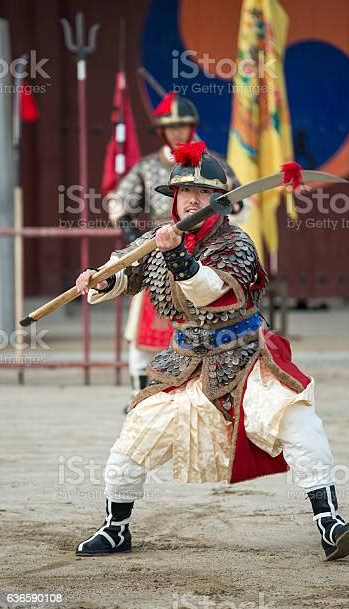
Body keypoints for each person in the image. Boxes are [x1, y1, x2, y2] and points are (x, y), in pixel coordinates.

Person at [75, 141, 349, 561]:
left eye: (204, 193)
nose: (193, 199)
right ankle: (116, 528)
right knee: (133, 440)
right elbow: (122, 272)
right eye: (185, 192)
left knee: (296, 420)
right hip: (185, 361)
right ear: (173, 198)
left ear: (216, 200)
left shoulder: (236, 242)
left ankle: (330, 522)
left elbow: (210, 291)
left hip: (247, 353)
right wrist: (98, 279)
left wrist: (176, 254)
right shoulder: (156, 241)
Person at [106, 92, 244, 400]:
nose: (178, 132)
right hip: (159, 250)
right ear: (163, 131)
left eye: (183, 126)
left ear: (192, 126)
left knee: (207, 326)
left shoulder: (215, 164)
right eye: (172, 127)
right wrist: (138, 244)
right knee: (142, 336)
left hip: (207, 251)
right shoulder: (146, 167)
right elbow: (118, 203)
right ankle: (140, 398)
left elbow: (238, 203)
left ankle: (202, 393)